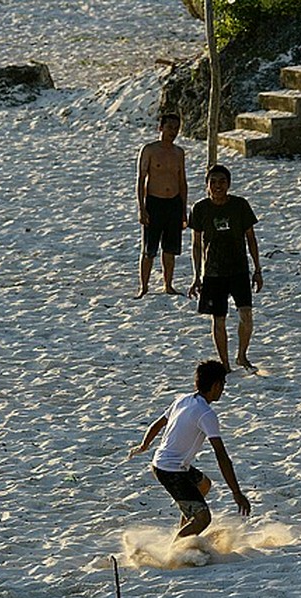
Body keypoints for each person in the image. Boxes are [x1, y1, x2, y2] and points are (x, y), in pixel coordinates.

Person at [128, 359, 251, 538]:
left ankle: (186, 532)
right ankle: (176, 551)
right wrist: (237, 493)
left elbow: (157, 425)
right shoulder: (206, 414)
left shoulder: (183, 399)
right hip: (171, 470)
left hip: (161, 463)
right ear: (216, 385)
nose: (223, 388)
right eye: (223, 384)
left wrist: (144, 446)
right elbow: (221, 455)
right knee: (203, 518)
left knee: (203, 485)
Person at [188, 164, 263, 373]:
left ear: (228, 184)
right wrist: (197, 276)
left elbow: (251, 238)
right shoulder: (200, 208)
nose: (218, 186)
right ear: (207, 185)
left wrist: (257, 269)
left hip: (239, 268)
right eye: (213, 182)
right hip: (212, 271)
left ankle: (241, 355)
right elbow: (196, 244)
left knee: (246, 315)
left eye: (222, 181)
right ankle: (226, 364)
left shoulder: (240, 206)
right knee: (218, 318)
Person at [135, 113, 187, 298]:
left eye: (176, 128)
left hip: (173, 202)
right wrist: (141, 208)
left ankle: (168, 284)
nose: (173, 131)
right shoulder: (149, 150)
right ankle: (144, 286)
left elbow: (182, 182)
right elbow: (141, 180)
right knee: (149, 249)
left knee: (170, 249)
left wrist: (183, 210)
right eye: (170, 127)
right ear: (161, 128)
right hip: (154, 202)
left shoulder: (178, 152)